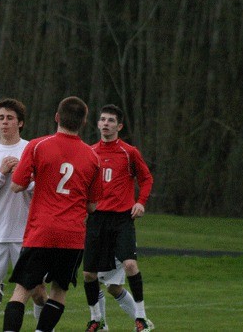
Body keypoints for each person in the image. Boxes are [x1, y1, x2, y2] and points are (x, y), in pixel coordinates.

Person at [2, 96, 103, 332]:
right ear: (84, 121)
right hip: (72, 235)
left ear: (57, 117)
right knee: (59, 291)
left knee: (22, 290)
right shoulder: (93, 157)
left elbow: (17, 185)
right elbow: (92, 206)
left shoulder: (38, 145)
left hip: (42, 231)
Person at [0, 98, 49, 332]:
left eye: (10, 118)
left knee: (38, 292)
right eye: (1, 118)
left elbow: (43, 191)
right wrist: (0, 174)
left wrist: (23, 176)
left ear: (20, 123)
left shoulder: (31, 149)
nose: (5, 123)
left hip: (28, 235)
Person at [82, 104, 154, 332]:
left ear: (119, 126)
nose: (106, 123)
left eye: (111, 120)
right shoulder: (90, 152)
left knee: (131, 264)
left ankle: (141, 319)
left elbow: (146, 178)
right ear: (97, 123)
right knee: (90, 274)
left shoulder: (129, 152)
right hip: (97, 219)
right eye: (102, 119)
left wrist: (140, 202)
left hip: (122, 219)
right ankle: (97, 320)